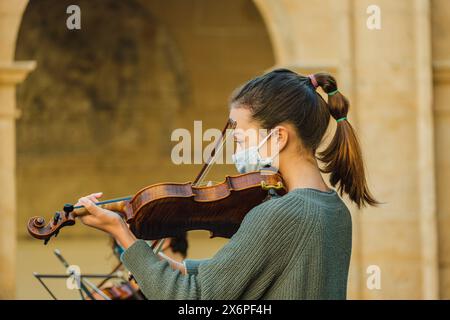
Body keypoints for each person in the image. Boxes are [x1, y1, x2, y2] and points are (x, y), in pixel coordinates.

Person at [75, 69, 378, 299]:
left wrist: (120, 231)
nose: (235, 150)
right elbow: (235, 278)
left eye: (240, 138)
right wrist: (172, 265)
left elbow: (192, 297)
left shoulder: (281, 214)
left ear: (280, 137)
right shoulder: (335, 210)